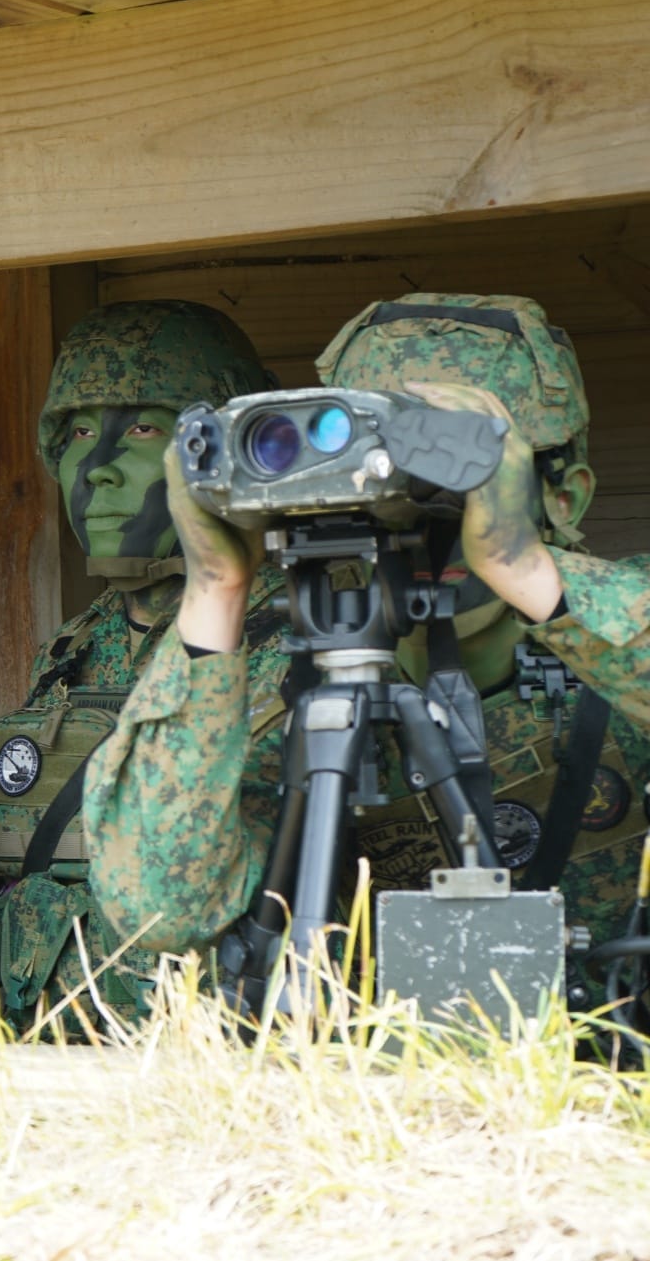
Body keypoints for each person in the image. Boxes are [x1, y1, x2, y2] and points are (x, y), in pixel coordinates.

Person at [82, 294, 650, 981]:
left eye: (453, 465)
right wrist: (216, 588)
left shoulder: (622, 638)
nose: (417, 511)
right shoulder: (294, 695)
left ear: (566, 496)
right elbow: (160, 908)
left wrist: (522, 564)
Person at [0, 299, 288, 1033]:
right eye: (75, 433)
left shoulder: (301, 643)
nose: (96, 469)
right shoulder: (69, 653)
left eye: (142, 429)